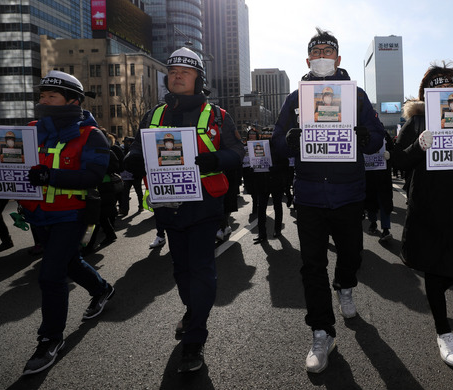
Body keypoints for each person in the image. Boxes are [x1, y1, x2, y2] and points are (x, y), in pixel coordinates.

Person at [271, 28, 385, 374]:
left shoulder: (357, 96)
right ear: (308, 60)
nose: (322, 56)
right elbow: (276, 142)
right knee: (312, 265)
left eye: (327, 51)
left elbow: (377, 138)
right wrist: (288, 141)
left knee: (351, 254)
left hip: (349, 193)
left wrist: (367, 137)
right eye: (316, 51)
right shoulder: (295, 98)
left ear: (337, 59)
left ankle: (346, 285)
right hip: (309, 195)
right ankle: (322, 332)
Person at [124, 47, 244, 372]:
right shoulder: (152, 115)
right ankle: (193, 311)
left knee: (202, 269)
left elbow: (237, 151)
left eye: (185, 71)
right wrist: (132, 159)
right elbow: (137, 146)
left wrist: (216, 159)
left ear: (198, 78)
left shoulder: (218, 116)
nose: (177, 75)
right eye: (173, 70)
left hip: (204, 207)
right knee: (181, 270)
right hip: (167, 208)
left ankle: (195, 339)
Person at [385, 62, 453, 367]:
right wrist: (419, 147)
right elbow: (399, 162)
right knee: (434, 269)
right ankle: (443, 332)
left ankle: (437, 300)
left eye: (451, 85)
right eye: (438, 85)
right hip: (428, 206)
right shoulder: (416, 123)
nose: (446, 90)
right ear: (427, 94)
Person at [18, 70, 115, 375]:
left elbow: (93, 175)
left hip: (73, 214)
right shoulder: (30, 130)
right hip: (39, 215)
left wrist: (52, 176)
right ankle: (101, 289)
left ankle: (50, 339)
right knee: (70, 263)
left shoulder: (91, 135)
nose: (43, 101)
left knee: (50, 275)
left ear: (73, 101)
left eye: (51, 96)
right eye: (42, 96)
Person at [252, 138, 287, 244]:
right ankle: (262, 233)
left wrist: (274, 168)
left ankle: (277, 230)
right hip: (263, 183)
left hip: (275, 183)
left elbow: (285, 165)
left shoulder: (278, 150)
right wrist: (253, 168)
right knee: (261, 209)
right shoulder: (258, 150)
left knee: (276, 206)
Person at [365, 131, 394, 242]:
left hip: (383, 176)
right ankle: (373, 223)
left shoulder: (384, 134)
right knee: (370, 201)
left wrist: (389, 154)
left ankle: (386, 228)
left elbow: (394, 150)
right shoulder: (364, 132)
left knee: (384, 202)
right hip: (369, 174)